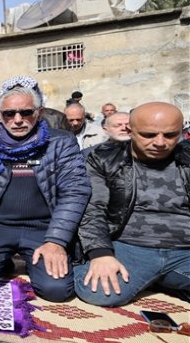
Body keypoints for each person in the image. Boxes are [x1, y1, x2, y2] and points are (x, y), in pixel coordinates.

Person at [0, 76, 91, 302]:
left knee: (56, 290)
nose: (18, 120)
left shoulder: (61, 142)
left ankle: (36, 261)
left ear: (38, 113)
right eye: (10, 114)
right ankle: (5, 259)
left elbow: (75, 191)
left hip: (43, 228)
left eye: (26, 112)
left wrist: (56, 241)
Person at [75, 102, 189, 305]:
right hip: (130, 246)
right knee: (98, 292)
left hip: (185, 250)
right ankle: (164, 278)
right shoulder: (104, 159)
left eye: (170, 135)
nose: (160, 143)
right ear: (130, 130)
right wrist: (100, 254)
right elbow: (93, 209)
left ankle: (164, 278)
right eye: (148, 135)